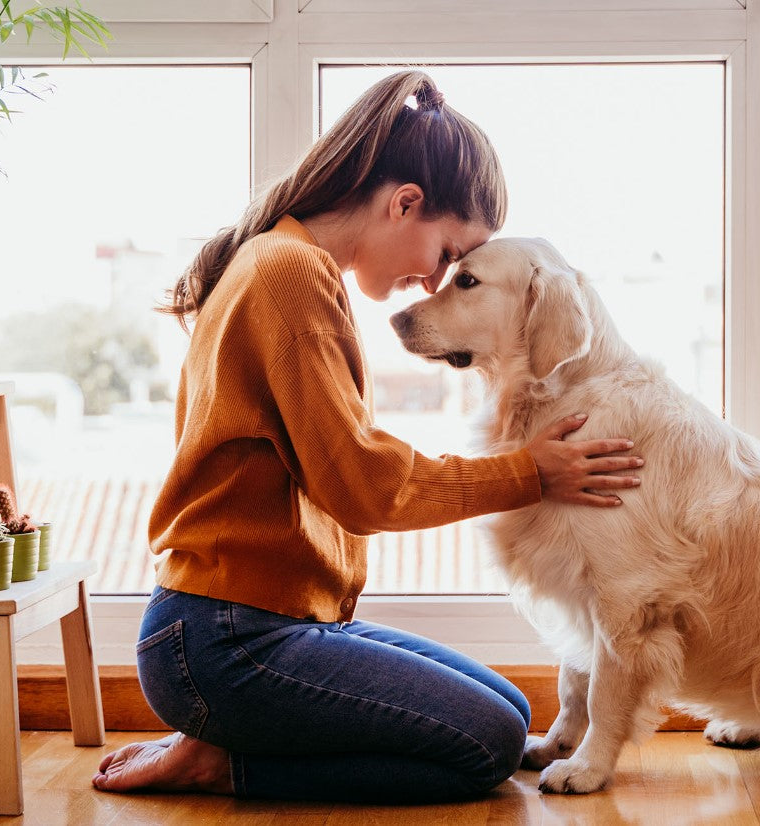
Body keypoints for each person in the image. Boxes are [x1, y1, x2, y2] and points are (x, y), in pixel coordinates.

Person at [90, 70, 643, 804]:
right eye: (447, 255)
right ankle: (224, 761)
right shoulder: (289, 276)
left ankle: (227, 734)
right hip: (223, 640)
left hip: (262, 626)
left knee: (510, 713)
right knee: (487, 744)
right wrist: (529, 472)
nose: (433, 281)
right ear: (404, 202)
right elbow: (364, 487)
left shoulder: (287, 262)